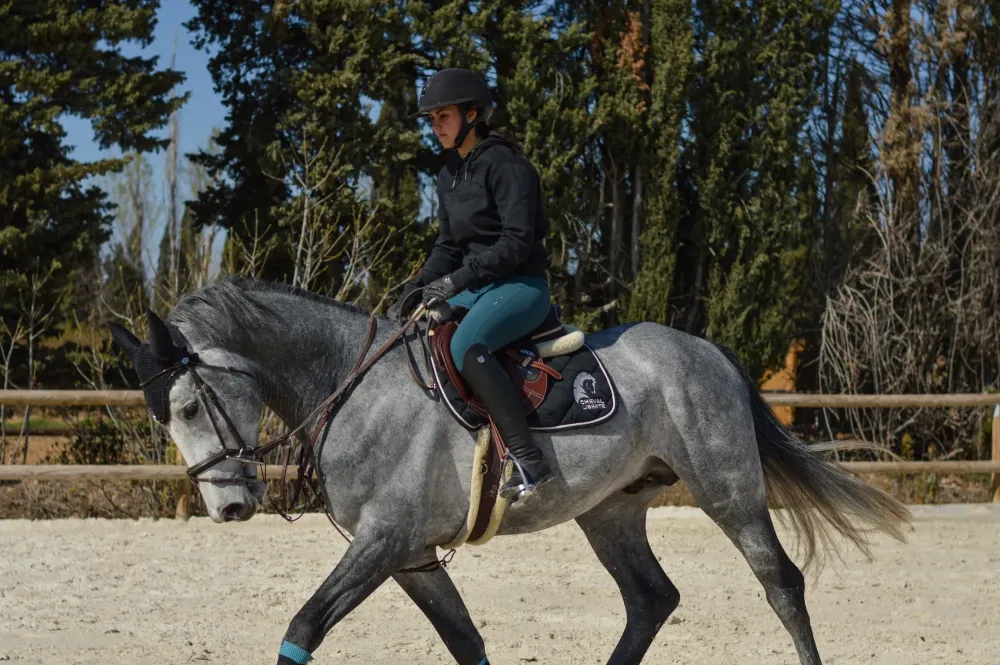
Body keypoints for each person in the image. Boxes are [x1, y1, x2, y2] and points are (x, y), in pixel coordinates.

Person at [388, 68, 554, 506]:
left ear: (473, 114)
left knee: (466, 345)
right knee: (414, 336)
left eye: (443, 115)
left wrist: (455, 281)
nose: (436, 125)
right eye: (431, 119)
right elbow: (447, 247)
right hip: (476, 286)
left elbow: (516, 243)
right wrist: (417, 286)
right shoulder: (449, 175)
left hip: (521, 285)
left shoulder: (507, 166)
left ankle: (528, 459)